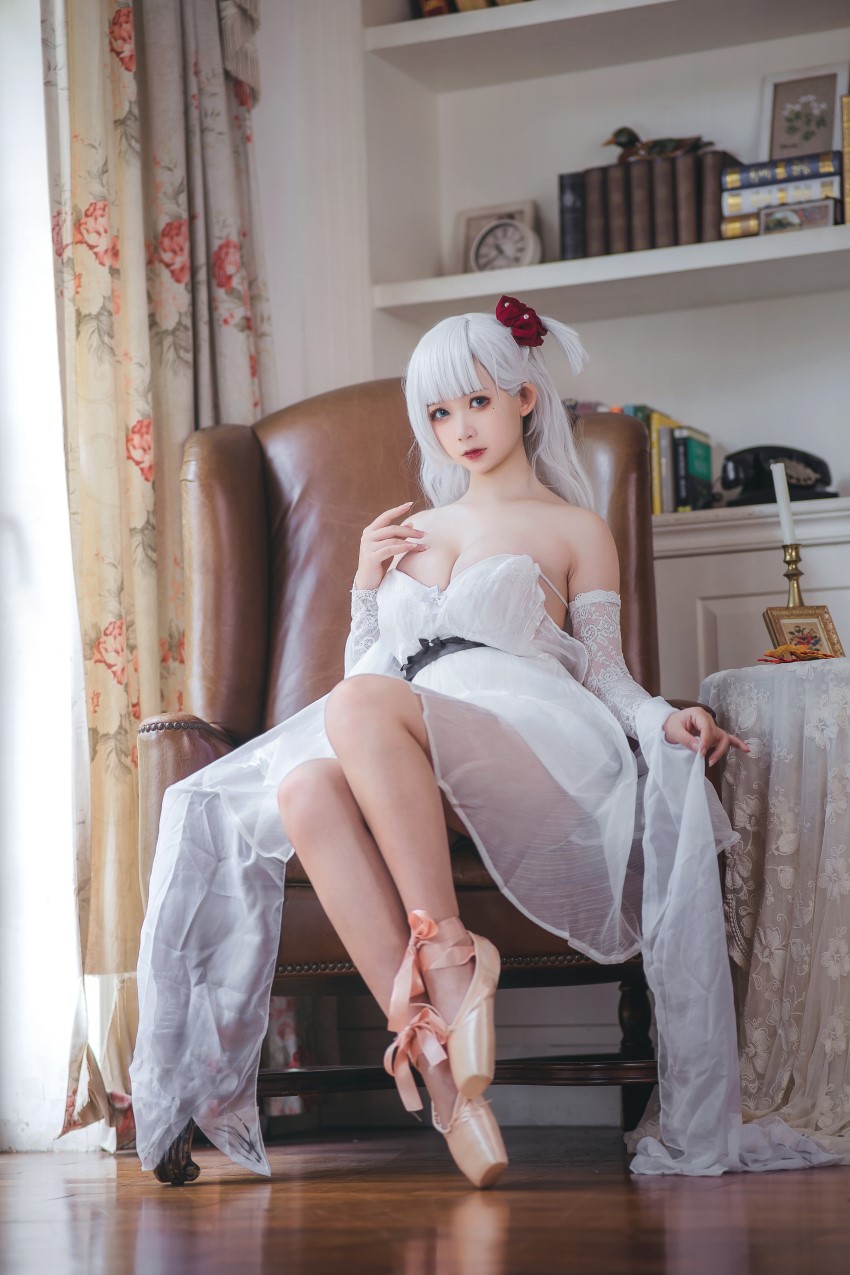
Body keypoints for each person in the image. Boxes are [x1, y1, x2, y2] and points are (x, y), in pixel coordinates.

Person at [130, 296, 840, 1187]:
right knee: (305, 787)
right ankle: (446, 1084)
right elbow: (368, 674)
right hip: (407, 731)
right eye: (438, 412)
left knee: (358, 710)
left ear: (524, 397)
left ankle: (452, 964)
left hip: (529, 735)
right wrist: (363, 584)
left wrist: (662, 717)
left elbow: (606, 671)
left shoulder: (576, 528)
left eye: (477, 402)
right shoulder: (409, 531)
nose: (459, 428)